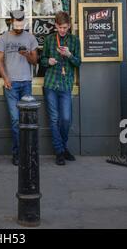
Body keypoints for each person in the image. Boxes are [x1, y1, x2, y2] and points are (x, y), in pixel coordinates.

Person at [0, 10, 38, 165]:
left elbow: (35, 61)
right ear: (11, 22)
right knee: (15, 120)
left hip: (26, 82)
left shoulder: (30, 38)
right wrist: (5, 78)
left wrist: (27, 54)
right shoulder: (3, 38)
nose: (19, 26)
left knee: (27, 120)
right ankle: (18, 153)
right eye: (16, 22)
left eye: (21, 23)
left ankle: (28, 152)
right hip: (11, 84)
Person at [41, 11, 81, 166]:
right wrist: (47, 61)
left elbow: (78, 63)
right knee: (54, 118)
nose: (62, 30)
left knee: (65, 119)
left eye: (65, 27)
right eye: (60, 27)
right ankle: (59, 151)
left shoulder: (74, 40)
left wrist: (70, 55)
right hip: (50, 84)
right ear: (56, 26)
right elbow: (42, 59)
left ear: (69, 26)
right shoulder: (50, 39)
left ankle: (63, 147)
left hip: (65, 84)